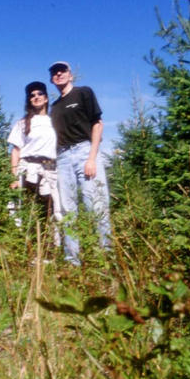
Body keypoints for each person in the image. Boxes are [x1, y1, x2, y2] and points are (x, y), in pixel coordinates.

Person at [48, 61, 111, 266]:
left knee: (96, 204)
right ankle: (72, 262)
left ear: (70, 74)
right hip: (63, 157)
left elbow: (97, 125)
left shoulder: (84, 93)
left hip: (84, 151)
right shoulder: (54, 107)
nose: (58, 74)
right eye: (54, 72)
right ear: (52, 79)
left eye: (62, 70)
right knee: (67, 210)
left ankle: (106, 259)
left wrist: (91, 158)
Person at [7, 81, 62, 231]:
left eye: (39, 94)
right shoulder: (23, 123)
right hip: (27, 169)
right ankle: (22, 243)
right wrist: (13, 177)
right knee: (24, 208)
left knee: (50, 208)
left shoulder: (55, 121)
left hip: (49, 170)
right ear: (29, 100)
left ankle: (49, 245)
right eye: (32, 95)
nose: (36, 97)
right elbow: (16, 150)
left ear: (46, 98)